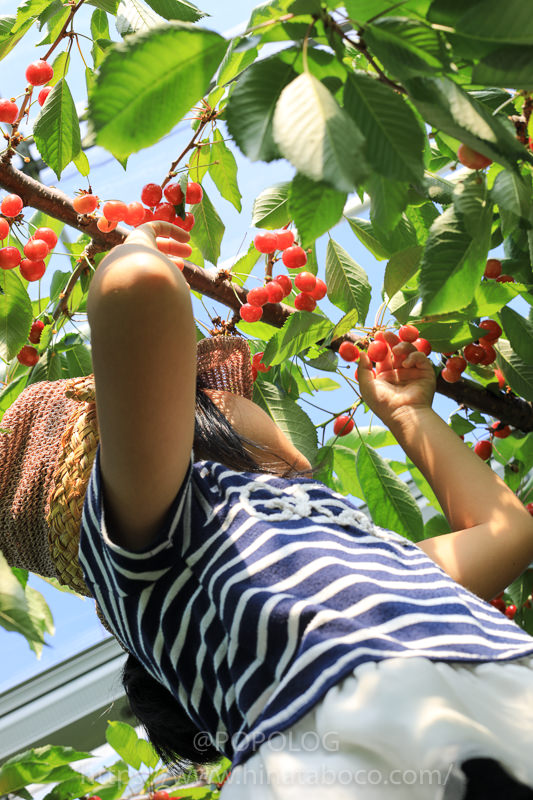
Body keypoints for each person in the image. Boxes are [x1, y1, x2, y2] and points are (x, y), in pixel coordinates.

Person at [11, 218, 533, 799]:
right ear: (189, 424)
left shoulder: (344, 542)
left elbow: (505, 532)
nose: (244, 393)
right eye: (211, 389)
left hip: (497, 696)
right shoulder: (160, 531)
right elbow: (136, 285)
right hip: (350, 751)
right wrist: (134, 243)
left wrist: (410, 415)